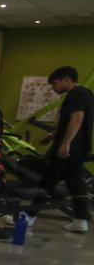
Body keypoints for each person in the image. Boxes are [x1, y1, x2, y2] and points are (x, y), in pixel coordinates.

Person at [42, 66, 92, 233]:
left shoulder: (75, 94)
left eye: (55, 83)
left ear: (66, 80)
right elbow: (78, 123)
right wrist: (54, 135)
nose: (53, 88)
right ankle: (81, 220)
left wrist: (65, 144)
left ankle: (28, 216)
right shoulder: (87, 94)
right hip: (80, 148)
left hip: (68, 149)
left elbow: (77, 119)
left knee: (47, 180)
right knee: (75, 182)